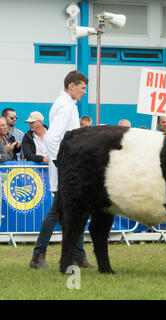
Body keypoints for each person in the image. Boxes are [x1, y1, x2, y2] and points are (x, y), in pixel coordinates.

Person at [30, 70, 94, 269]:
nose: (84, 92)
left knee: (74, 211)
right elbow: (51, 138)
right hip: (67, 170)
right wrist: (62, 163)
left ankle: (77, 256)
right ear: (71, 86)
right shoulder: (65, 107)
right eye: (83, 88)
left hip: (67, 169)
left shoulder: (67, 104)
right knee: (59, 212)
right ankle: (39, 256)